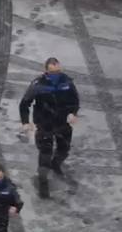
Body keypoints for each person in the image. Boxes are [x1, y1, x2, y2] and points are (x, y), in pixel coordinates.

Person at [19, 57, 80, 198]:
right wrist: (25, 122)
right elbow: (25, 103)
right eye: (52, 72)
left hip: (63, 123)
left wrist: (73, 113)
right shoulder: (38, 85)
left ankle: (56, 164)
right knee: (45, 154)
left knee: (64, 149)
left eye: (58, 71)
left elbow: (75, 100)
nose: (56, 75)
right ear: (46, 71)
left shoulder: (67, 82)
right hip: (44, 124)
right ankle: (43, 184)